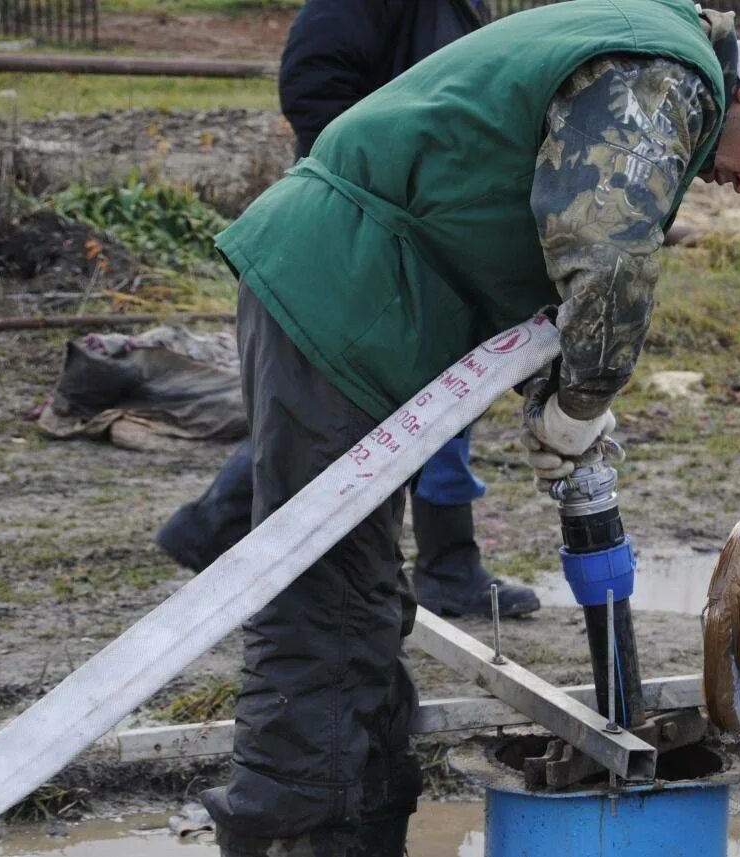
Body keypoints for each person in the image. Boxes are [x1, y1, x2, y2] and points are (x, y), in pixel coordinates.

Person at [200, 2, 740, 855]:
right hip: (339, 298)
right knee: (323, 605)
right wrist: (582, 399)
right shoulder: (664, 80)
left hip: (360, 299)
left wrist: (565, 388)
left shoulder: (651, 59)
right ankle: (293, 834)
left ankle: (362, 825)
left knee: (361, 599)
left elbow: (546, 234)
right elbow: (611, 255)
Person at [155, 0, 542, 619]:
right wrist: (371, 179)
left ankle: (446, 562)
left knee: (431, 398)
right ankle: (223, 527)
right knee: (357, 404)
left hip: (420, 230)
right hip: (371, 228)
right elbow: (311, 77)